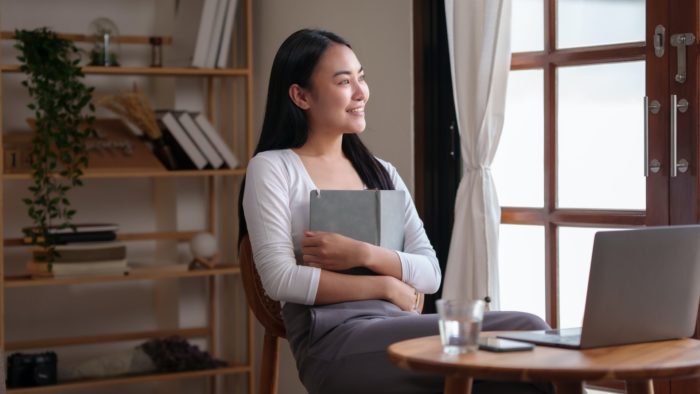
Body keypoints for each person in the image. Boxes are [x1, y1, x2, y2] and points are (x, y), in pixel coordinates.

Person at [240, 28, 551, 394]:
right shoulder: (273, 168)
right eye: (344, 81)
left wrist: (364, 254)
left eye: (361, 77)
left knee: (522, 370)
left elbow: (430, 273)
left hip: (396, 327)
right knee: (526, 329)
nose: (361, 92)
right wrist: (386, 285)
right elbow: (280, 279)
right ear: (300, 95)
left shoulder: (381, 171)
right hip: (333, 344)